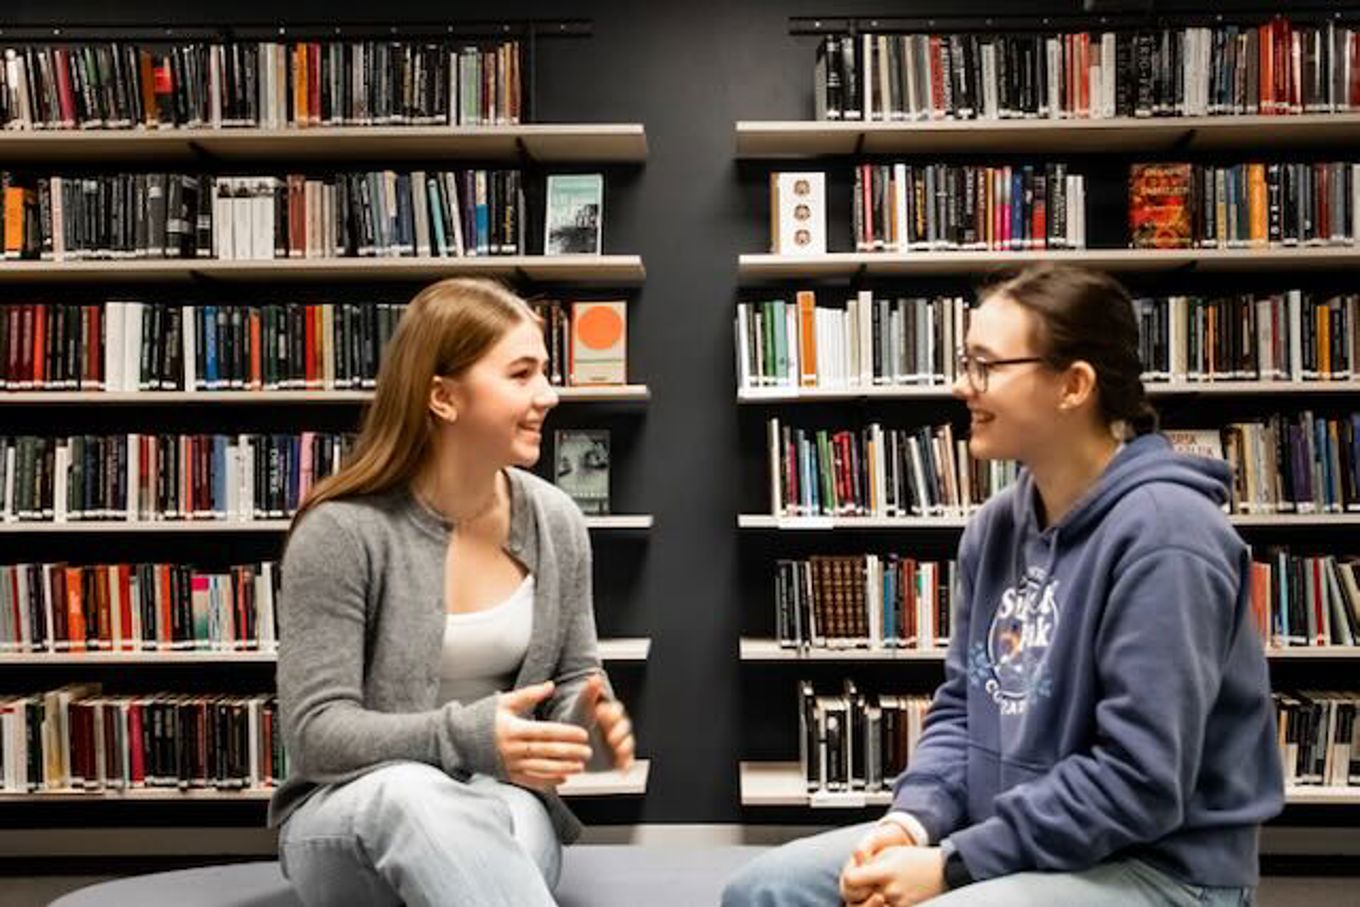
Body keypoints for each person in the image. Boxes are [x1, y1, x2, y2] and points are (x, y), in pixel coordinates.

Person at [722, 263, 1284, 906]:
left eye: (985, 366)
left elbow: (1139, 782)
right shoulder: (994, 529)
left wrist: (954, 865)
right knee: (766, 890)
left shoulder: (1169, 537)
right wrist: (911, 821)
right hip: (1007, 837)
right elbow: (963, 707)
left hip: (1160, 865)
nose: (963, 386)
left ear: (1074, 385)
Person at [268, 277, 636, 907]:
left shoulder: (555, 521)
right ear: (442, 396)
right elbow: (317, 734)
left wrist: (586, 721)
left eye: (544, 373)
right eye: (521, 375)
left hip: (500, 800)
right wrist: (470, 737)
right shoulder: (342, 531)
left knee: (506, 825)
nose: (549, 395)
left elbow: (576, 674)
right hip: (352, 811)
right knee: (412, 794)